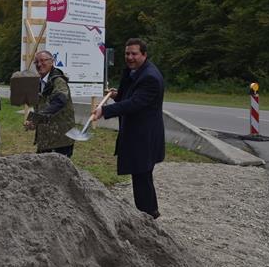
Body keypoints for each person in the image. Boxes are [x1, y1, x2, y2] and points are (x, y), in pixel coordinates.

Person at [93, 38, 164, 219]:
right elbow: (129, 96)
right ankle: (147, 213)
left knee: (142, 176)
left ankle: (149, 215)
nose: (130, 57)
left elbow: (134, 104)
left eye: (134, 54)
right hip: (136, 134)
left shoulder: (150, 77)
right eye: (127, 53)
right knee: (140, 176)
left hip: (144, 136)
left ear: (144, 55)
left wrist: (105, 110)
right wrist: (118, 95)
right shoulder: (135, 72)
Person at [24, 50, 76, 157]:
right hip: (46, 139)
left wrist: (36, 118)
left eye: (43, 61)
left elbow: (59, 101)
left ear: (52, 62)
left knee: (59, 171)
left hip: (61, 138)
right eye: (36, 62)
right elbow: (40, 107)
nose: (39, 64)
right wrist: (33, 122)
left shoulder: (58, 80)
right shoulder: (40, 82)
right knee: (42, 170)